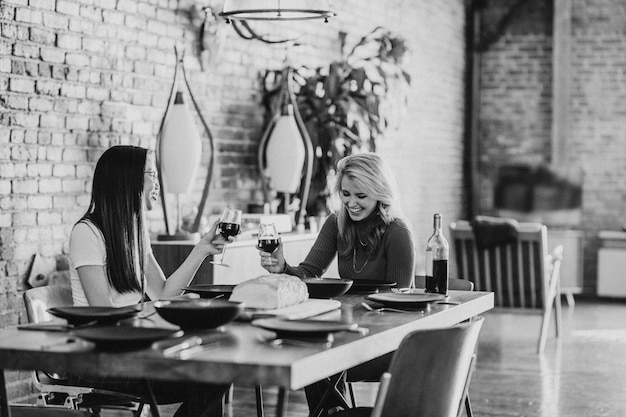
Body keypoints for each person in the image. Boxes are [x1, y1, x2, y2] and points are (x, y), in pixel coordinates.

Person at [68, 145, 229, 417]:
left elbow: (164, 292)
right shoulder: (87, 233)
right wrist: (158, 319)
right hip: (99, 362)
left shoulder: (134, 232)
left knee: (217, 372)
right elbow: (106, 317)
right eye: (152, 175)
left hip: (133, 354)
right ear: (128, 179)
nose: (157, 185)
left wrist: (201, 249)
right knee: (207, 379)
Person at [258, 152, 415, 415]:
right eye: (345, 194)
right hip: (348, 334)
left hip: (386, 345)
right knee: (308, 352)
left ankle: (330, 412)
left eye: (361, 196)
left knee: (316, 359)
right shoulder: (335, 223)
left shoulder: (397, 232)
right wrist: (282, 268)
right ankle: (331, 412)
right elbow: (309, 273)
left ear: (380, 192)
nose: (351, 203)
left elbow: (400, 304)